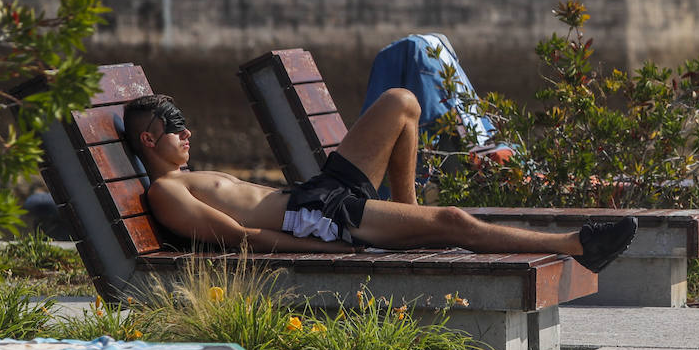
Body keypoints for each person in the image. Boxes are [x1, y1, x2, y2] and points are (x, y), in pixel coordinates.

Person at [122, 91, 636, 272]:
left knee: (401, 102)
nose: (186, 133)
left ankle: (407, 214)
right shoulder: (166, 191)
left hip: (316, 196)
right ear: (148, 141)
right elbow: (241, 238)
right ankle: (575, 246)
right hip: (318, 223)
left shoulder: (188, 175)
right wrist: (326, 252)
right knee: (453, 220)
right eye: (173, 128)